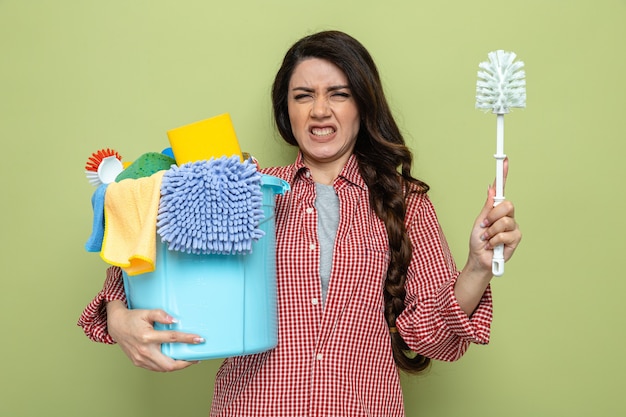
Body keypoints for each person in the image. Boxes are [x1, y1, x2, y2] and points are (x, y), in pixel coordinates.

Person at [78, 30, 522, 416]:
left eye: (339, 94)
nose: (320, 110)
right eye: (303, 95)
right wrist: (118, 318)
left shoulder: (406, 204)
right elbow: (140, 245)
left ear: (362, 106)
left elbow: (429, 335)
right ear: (285, 111)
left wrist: (478, 265)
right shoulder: (246, 190)